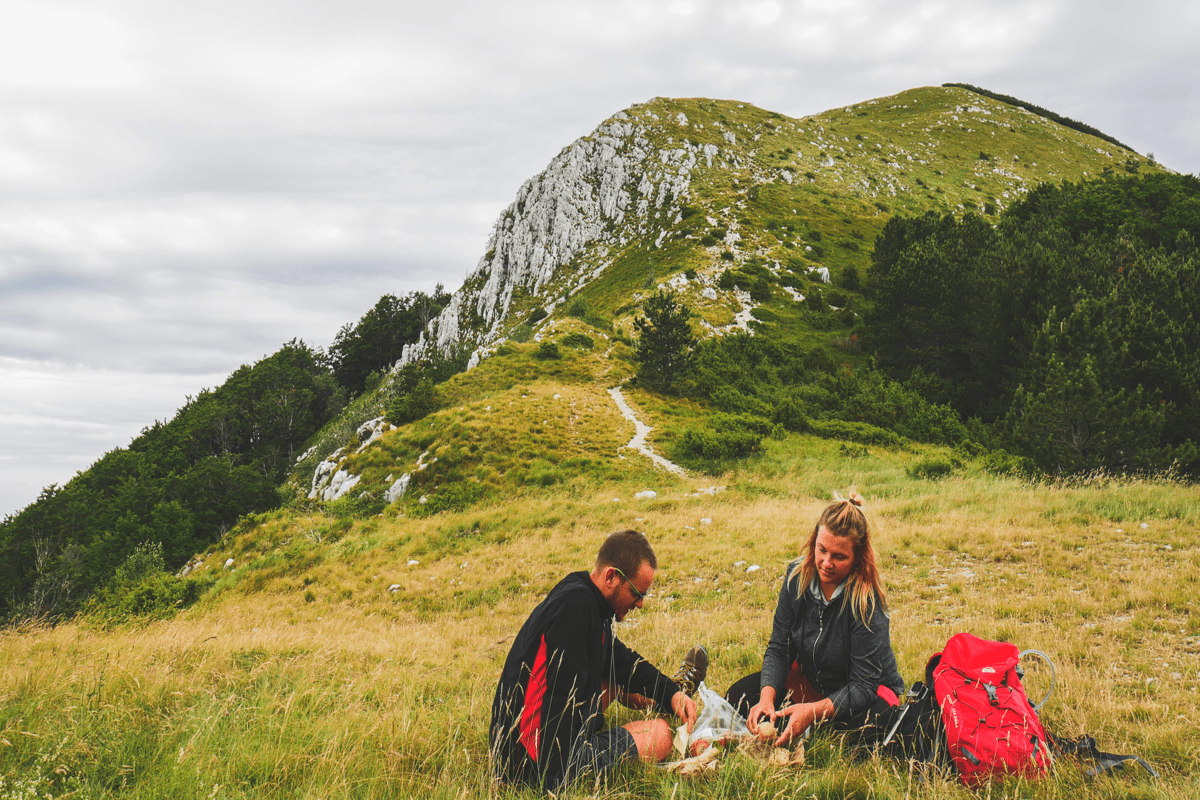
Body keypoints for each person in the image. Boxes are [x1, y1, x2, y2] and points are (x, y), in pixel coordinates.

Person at [489, 529, 708, 791]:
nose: (639, 604)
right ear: (611, 576)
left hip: (518, 748)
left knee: (616, 677)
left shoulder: (583, 596)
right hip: (538, 766)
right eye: (637, 593)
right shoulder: (576, 608)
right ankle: (668, 706)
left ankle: (677, 694)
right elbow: (559, 706)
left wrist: (671, 693)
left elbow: (620, 662)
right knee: (660, 733)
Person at [725, 491, 905, 748]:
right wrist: (767, 698)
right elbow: (779, 649)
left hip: (862, 693)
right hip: (810, 683)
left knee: (865, 732)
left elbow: (864, 684)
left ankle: (811, 724)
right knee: (739, 697)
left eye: (839, 557)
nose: (826, 562)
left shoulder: (866, 600)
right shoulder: (796, 578)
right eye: (822, 550)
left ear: (857, 559)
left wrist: (812, 712)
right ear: (814, 542)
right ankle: (802, 721)